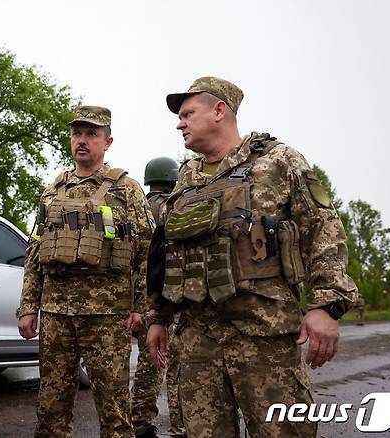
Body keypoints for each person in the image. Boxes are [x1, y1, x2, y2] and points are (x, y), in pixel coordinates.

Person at [145, 76, 358, 437]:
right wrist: (157, 317)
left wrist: (326, 304)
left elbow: (323, 228)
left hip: (265, 336)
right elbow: (163, 253)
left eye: (187, 113)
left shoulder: (278, 161)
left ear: (219, 110)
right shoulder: (185, 180)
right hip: (197, 340)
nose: (179, 122)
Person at [17, 105, 153, 438]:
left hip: (107, 318)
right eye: (77, 133)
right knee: (50, 411)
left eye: (91, 134)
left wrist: (143, 309)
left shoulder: (127, 190)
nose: (82, 140)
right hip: (55, 316)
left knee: (115, 412)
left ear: (107, 141)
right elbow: (36, 252)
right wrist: (27, 307)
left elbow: (148, 253)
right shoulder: (53, 190)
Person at [131, 157, 182, 438]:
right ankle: (154, 424)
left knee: (148, 362)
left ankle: (138, 419)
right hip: (160, 298)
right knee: (164, 363)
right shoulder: (170, 208)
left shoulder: (139, 207)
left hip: (134, 299)